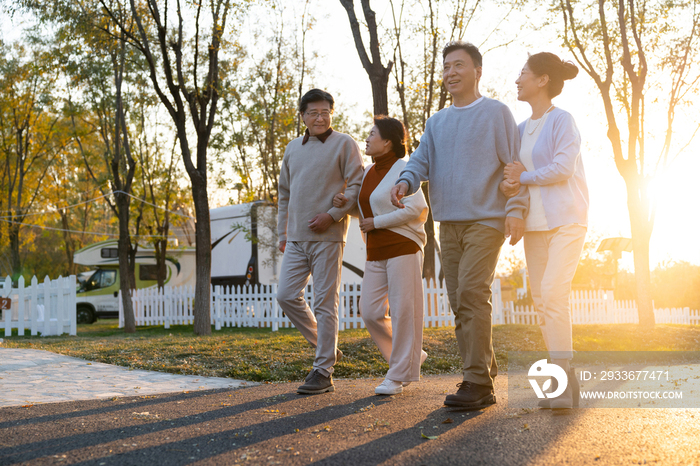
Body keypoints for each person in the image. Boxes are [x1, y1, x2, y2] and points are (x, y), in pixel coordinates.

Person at [390, 41, 529, 409]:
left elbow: (514, 166)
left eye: (459, 66)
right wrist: (406, 181)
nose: (451, 73)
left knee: (471, 293)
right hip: (448, 222)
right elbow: (419, 160)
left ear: (477, 72)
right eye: (447, 67)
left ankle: (478, 384)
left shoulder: (497, 113)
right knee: (459, 301)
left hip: (486, 219)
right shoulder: (437, 122)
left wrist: (515, 209)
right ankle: (485, 366)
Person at [501, 52, 588, 410]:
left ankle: (563, 384)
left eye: (523, 73)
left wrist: (522, 176)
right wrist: (512, 189)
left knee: (553, 293)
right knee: (541, 302)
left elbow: (563, 168)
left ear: (542, 80)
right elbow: (514, 178)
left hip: (567, 219)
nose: (517, 79)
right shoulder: (519, 130)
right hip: (534, 226)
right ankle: (563, 383)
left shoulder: (562, 121)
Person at [276, 89, 364, 395]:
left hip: (328, 235)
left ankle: (323, 370)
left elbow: (357, 183)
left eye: (325, 112)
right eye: (313, 112)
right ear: (302, 116)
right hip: (297, 237)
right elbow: (284, 195)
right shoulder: (292, 148)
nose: (320, 117)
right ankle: (327, 348)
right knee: (286, 295)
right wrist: (282, 233)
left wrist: (334, 214)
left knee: (325, 303)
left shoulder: (344, 143)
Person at [333, 116, 429, 396]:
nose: (367, 138)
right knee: (372, 311)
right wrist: (346, 206)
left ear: (387, 141)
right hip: (375, 250)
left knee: (402, 312)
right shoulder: (368, 172)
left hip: (403, 247)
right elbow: (368, 211)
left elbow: (417, 210)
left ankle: (398, 375)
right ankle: (411, 356)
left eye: (372, 133)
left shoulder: (404, 169)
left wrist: (377, 223)